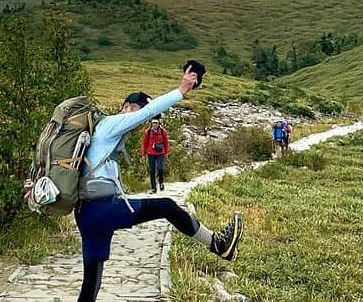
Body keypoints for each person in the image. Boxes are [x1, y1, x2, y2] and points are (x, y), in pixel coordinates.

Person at [72, 66, 243, 302]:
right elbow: (151, 110)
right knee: (166, 206)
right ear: (128, 107)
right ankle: (218, 244)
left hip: (86, 213)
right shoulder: (112, 123)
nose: (141, 122)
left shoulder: (103, 134)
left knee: (92, 281)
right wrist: (182, 89)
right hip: (101, 209)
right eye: (140, 114)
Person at [141, 115, 170, 193]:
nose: (155, 124)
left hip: (160, 153)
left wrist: (167, 153)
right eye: (153, 123)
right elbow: (144, 143)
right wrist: (143, 154)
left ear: (159, 123)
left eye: (156, 123)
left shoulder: (163, 131)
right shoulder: (148, 132)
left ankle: (161, 182)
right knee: (152, 170)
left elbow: (166, 143)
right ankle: (153, 188)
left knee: (160, 168)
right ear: (151, 123)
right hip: (151, 153)